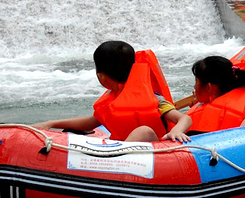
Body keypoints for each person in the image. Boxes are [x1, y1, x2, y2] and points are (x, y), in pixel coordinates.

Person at [34, 41, 192, 143]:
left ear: (101, 76)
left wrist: (176, 131)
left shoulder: (154, 99)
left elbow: (184, 119)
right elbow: (91, 122)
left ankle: (114, 157)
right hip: (119, 150)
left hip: (156, 150)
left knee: (143, 130)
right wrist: (51, 124)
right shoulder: (112, 101)